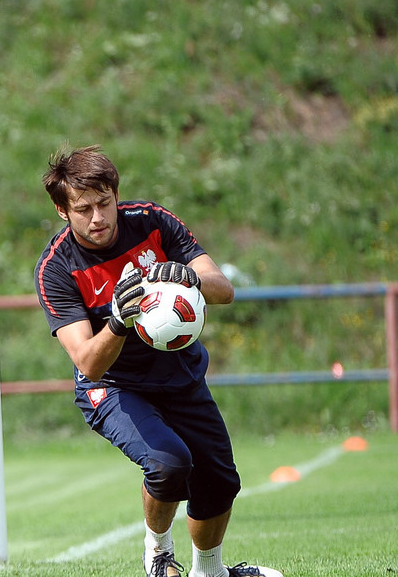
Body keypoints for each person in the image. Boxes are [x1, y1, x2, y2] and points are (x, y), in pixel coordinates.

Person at [34, 145, 281, 577]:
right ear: (62, 210)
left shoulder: (152, 221)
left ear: (116, 195)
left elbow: (224, 290)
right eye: (84, 209)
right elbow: (89, 363)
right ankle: (159, 557)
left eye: (105, 203)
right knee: (169, 463)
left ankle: (212, 572)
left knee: (220, 482)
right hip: (113, 386)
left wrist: (191, 278)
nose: (98, 218)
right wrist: (117, 320)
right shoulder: (57, 269)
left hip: (179, 375)